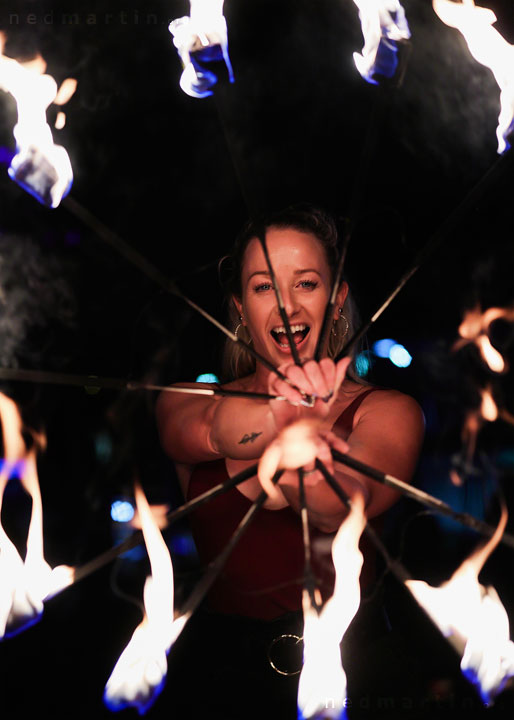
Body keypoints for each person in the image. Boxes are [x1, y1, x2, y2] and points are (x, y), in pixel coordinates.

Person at [156, 204, 425, 719]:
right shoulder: (186, 398)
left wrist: (304, 440)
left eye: (305, 283)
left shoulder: (389, 412)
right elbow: (209, 432)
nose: (286, 307)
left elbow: (338, 506)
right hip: (218, 684)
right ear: (238, 306)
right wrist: (282, 415)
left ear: (337, 295)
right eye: (263, 287)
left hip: (354, 674)